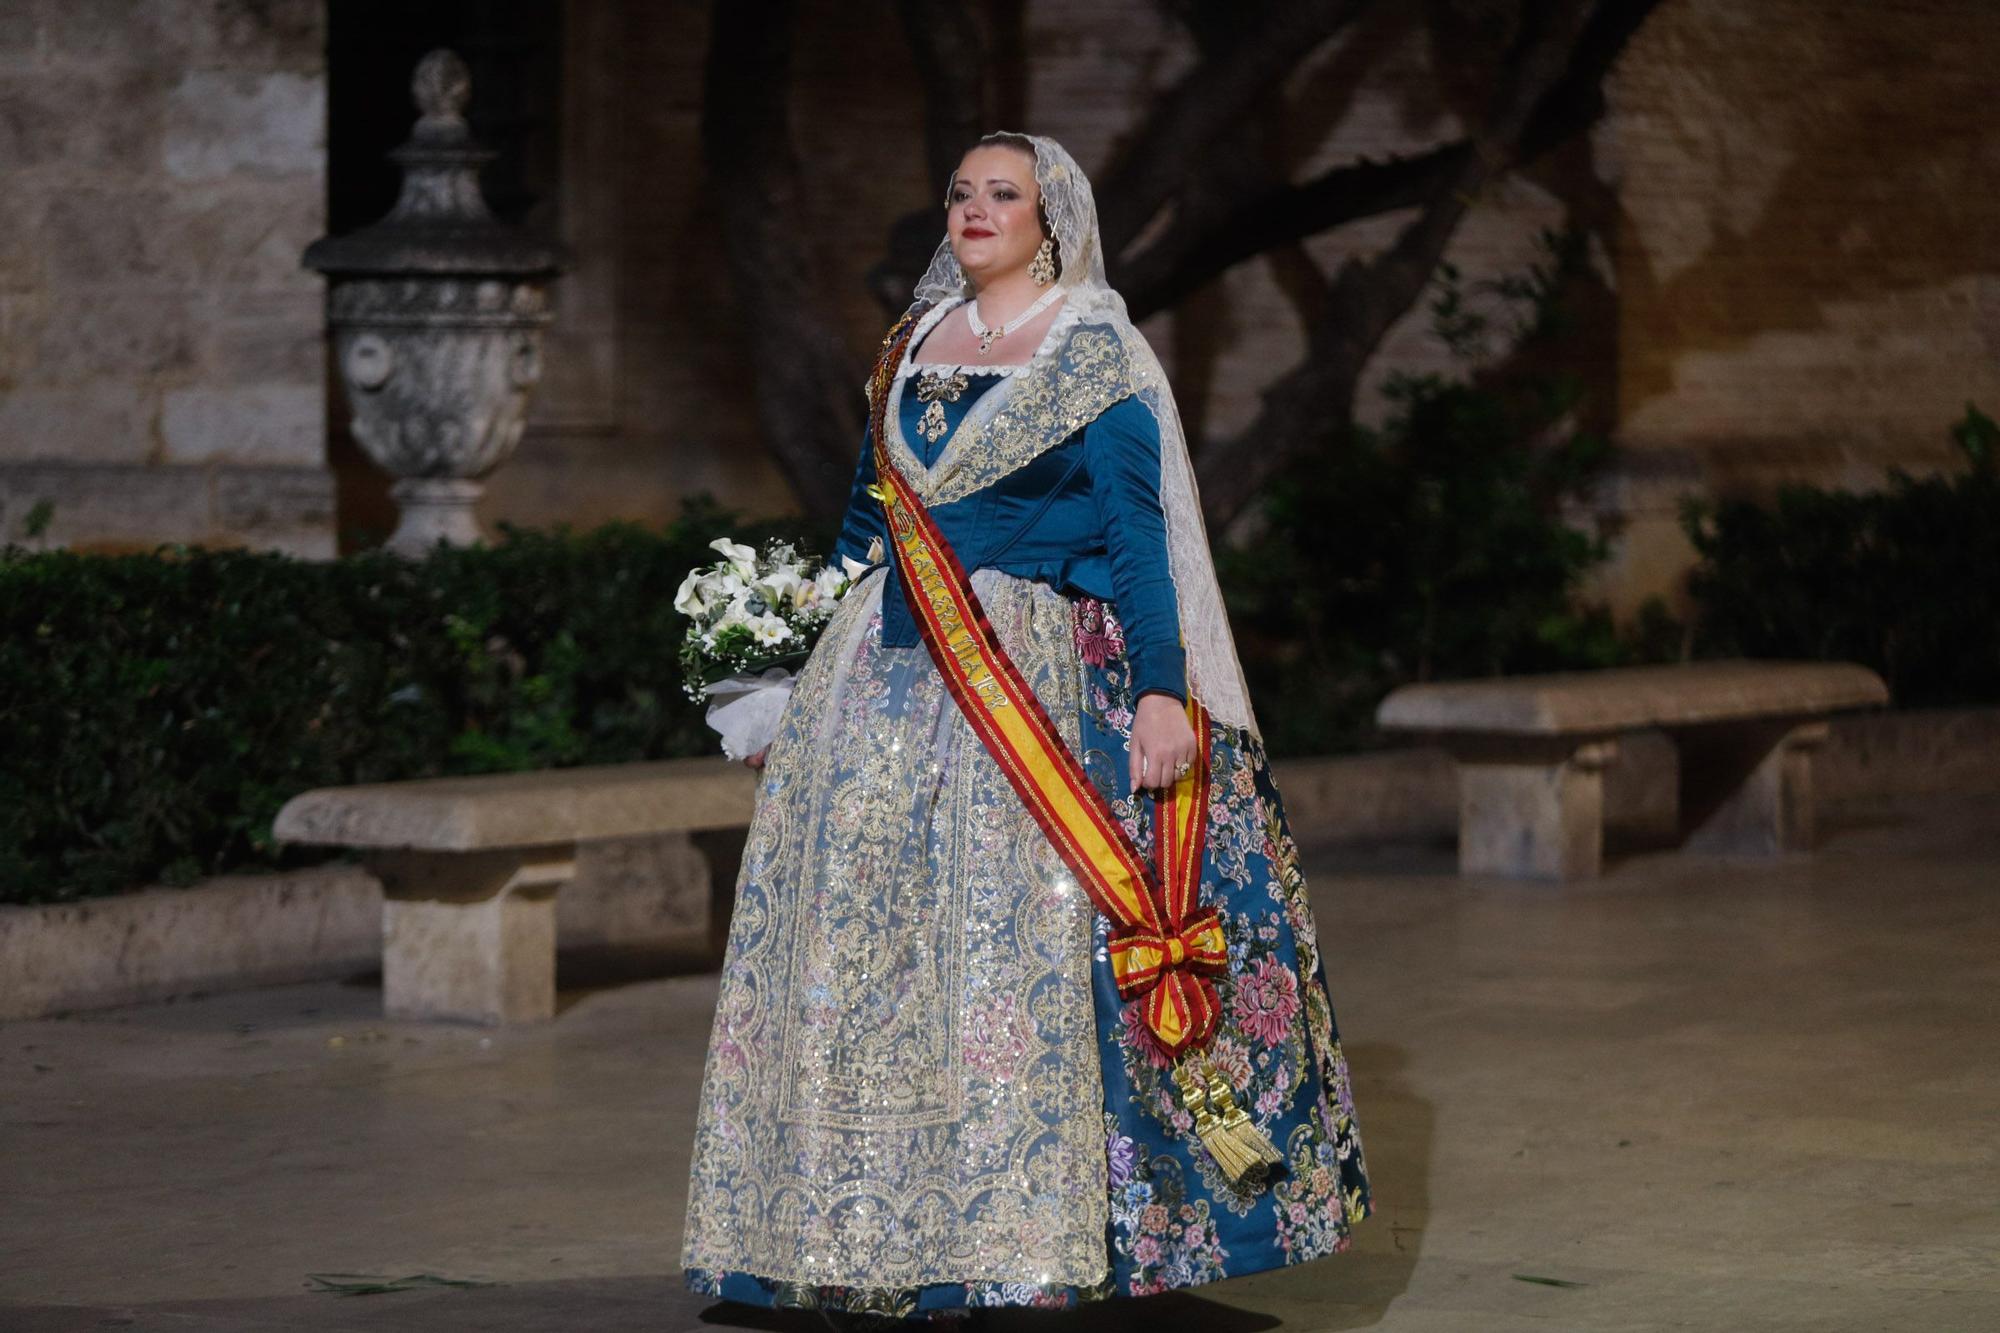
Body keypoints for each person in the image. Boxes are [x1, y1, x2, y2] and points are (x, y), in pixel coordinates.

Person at [682, 132, 1371, 1323]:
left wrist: (1162, 690)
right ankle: (848, 1231)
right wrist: (780, 672)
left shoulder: (1092, 350)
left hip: (1033, 681)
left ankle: (1015, 1239)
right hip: (878, 690)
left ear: (1050, 217)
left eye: (1000, 193)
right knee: (861, 959)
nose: (972, 208)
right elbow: (865, 523)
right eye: (957, 191)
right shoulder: (907, 347)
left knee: (1018, 953)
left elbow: (1134, 535)